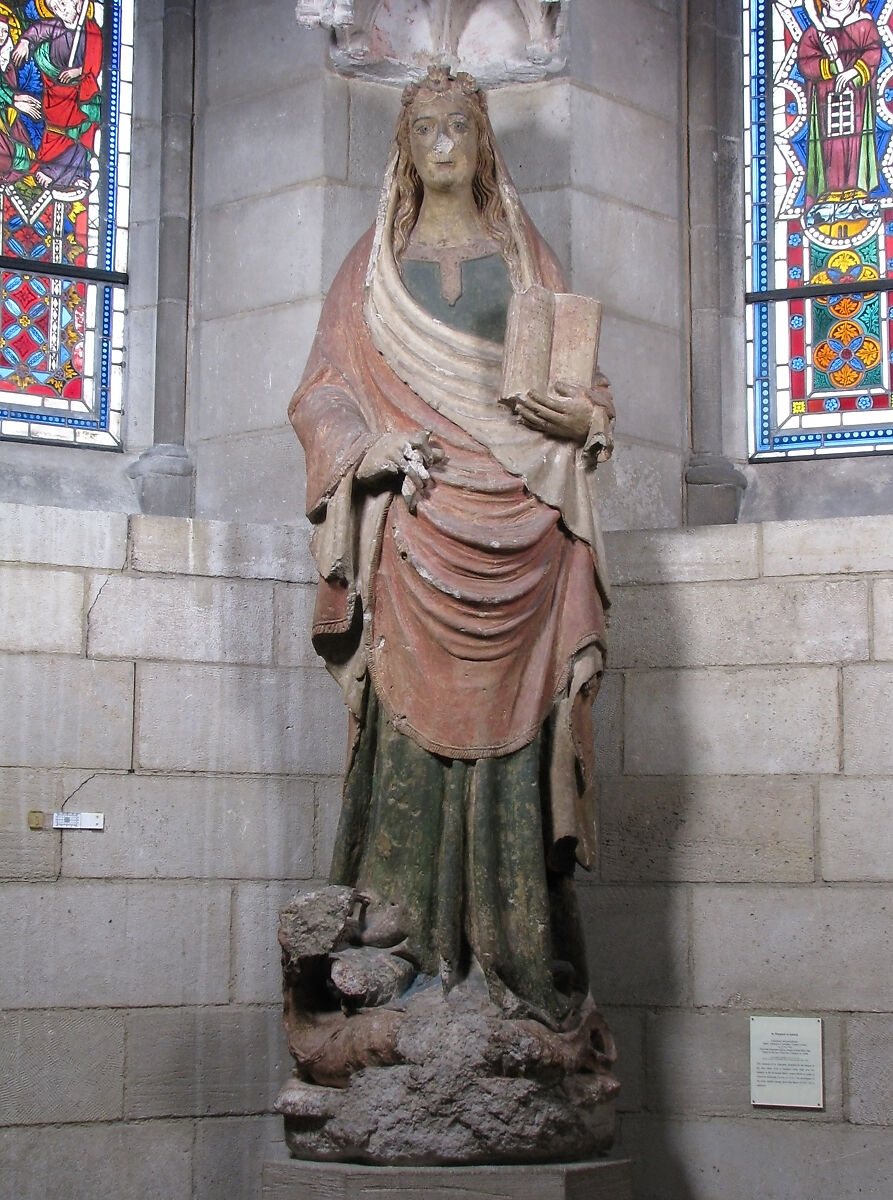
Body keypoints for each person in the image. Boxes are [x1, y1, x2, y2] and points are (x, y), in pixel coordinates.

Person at [288, 66, 614, 1030]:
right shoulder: (370, 267)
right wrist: (366, 448)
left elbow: (583, 387)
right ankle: (399, 945)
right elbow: (321, 392)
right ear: (403, 146)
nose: (440, 145)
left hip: (523, 526)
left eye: (457, 129)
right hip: (416, 528)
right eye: (423, 129)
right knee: (404, 745)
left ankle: (515, 954)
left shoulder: (525, 258)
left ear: (482, 145)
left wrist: (578, 411)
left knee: (518, 745)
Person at [797, 0, 882, 223]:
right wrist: (831, 66)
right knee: (830, 147)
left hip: (857, 99)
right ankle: (829, 195)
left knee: (855, 143)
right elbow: (806, 62)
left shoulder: (864, 25)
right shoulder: (817, 31)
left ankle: (858, 193)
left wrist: (854, 72)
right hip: (826, 100)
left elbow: (873, 52)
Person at [11, 0, 102, 193]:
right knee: (56, 132)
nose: (59, 10)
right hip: (55, 91)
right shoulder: (55, 26)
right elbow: (37, 31)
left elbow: (94, 59)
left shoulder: (90, 29)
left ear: (77, 3)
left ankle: (72, 175)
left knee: (81, 136)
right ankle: (57, 172)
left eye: (62, 4)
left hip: (81, 93)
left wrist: (78, 72)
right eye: (54, 8)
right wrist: (25, 43)